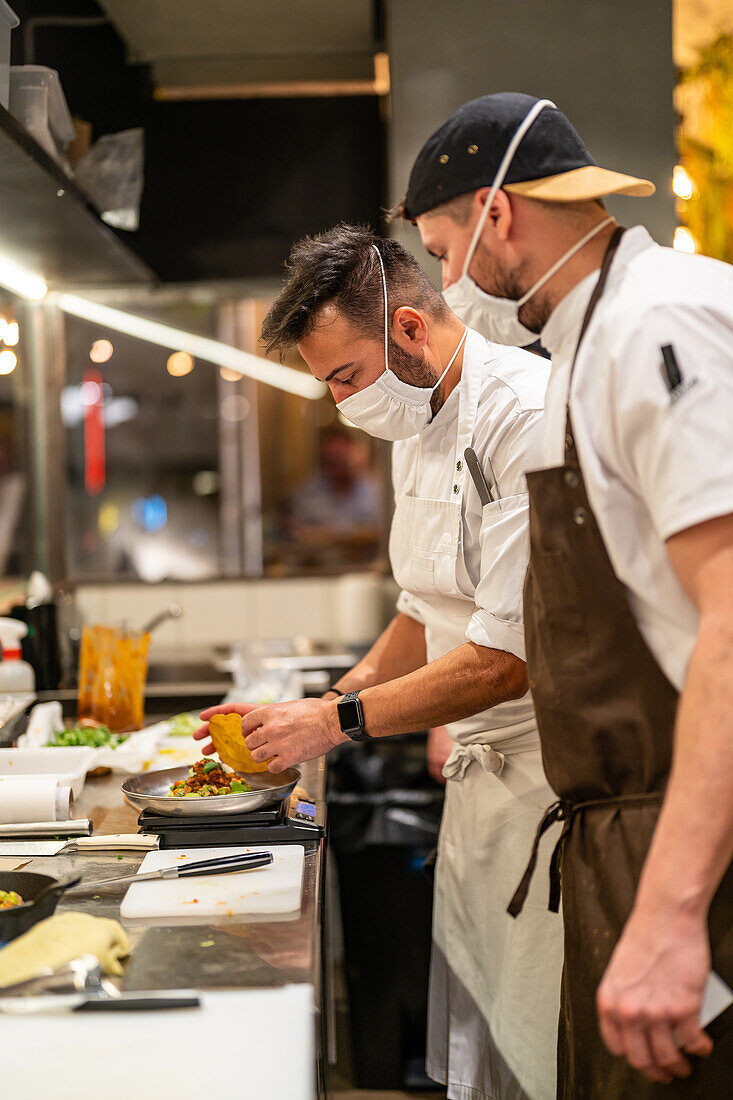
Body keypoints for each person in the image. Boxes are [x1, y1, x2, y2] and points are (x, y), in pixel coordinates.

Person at [397, 91, 733, 1097]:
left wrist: (672, 908)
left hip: (689, 834)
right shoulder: (583, 344)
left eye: (444, 247)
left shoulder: (659, 319)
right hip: (618, 825)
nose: (450, 281)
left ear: (496, 212)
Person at [195, 224, 563, 1100]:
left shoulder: (526, 414)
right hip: (479, 788)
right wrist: (333, 697)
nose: (338, 403)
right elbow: (422, 608)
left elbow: (505, 658)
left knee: (544, 1043)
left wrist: (332, 723)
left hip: (550, 782)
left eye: (344, 377)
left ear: (407, 330)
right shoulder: (414, 429)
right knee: (485, 1033)